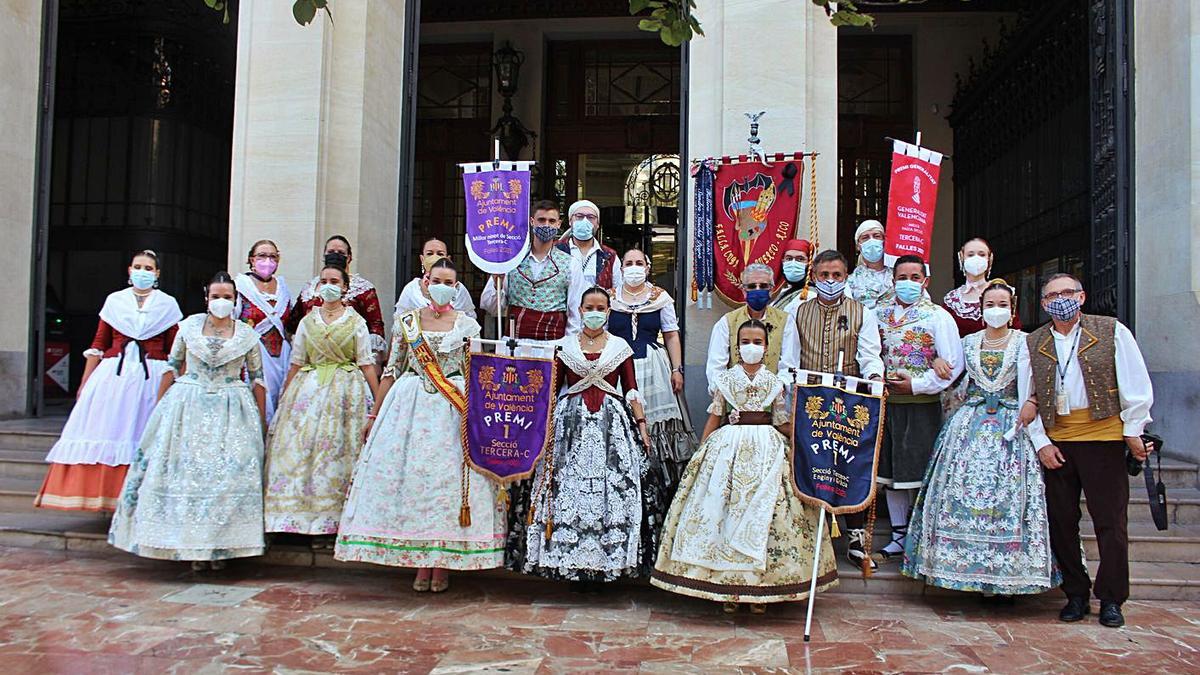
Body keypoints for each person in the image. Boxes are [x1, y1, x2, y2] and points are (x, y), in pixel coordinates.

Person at [335, 259, 503, 593]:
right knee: (413, 484)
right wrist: (374, 415)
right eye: (435, 279)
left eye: (449, 282)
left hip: (452, 407)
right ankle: (417, 560)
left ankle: (440, 563)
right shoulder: (406, 322)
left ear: (456, 288)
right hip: (407, 406)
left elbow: (477, 374)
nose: (441, 285)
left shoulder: (468, 327)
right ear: (425, 283)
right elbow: (391, 370)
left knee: (445, 487)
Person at [652, 319, 838, 614]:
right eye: (745, 342)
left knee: (768, 513)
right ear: (737, 348)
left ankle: (760, 591)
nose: (751, 347)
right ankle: (728, 589)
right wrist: (702, 450)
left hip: (768, 446)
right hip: (728, 447)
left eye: (758, 342)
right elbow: (715, 415)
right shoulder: (726, 380)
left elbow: (781, 419)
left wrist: (807, 438)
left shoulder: (775, 382)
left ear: (766, 348)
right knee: (722, 512)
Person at [902, 281, 1058, 598]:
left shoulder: (1026, 342)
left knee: (1010, 500)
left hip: (1013, 427)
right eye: (990, 304)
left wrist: (1033, 404)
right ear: (981, 308)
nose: (996, 310)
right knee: (959, 495)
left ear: (1012, 309)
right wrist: (935, 362)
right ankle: (961, 572)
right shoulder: (968, 342)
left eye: (1002, 304)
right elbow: (952, 372)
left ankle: (1006, 580)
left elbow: (1038, 384)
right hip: (968, 427)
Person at [108, 271, 267, 570]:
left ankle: (220, 547)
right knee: (186, 474)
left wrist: (260, 422)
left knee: (226, 477)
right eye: (216, 296)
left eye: (228, 297)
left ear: (236, 301)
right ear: (207, 297)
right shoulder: (188, 327)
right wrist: (159, 409)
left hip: (232, 406)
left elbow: (258, 379)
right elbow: (171, 367)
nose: (222, 302)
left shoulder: (247, 334)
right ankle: (188, 547)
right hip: (187, 404)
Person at [1020, 273, 1154, 628]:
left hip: (1103, 437)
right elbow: (1026, 396)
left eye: (1067, 293)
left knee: (1110, 521)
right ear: (1044, 303)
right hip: (1058, 440)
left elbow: (1134, 382)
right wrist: (1041, 443)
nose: (1060, 300)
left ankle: (1111, 597)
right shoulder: (1033, 342)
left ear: (1081, 297)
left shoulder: (1111, 331)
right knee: (1062, 522)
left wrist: (1134, 430)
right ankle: (1075, 593)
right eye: (1052, 296)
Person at [506, 287, 665, 584]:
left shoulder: (620, 347)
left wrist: (642, 425)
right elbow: (551, 393)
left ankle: (606, 563)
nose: (594, 312)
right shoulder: (563, 347)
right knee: (567, 490)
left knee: (613, 490)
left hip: (612, 426)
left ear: (608, 311)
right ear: (580, 310)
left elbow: (631, 389)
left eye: (601, 307)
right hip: (569, 424)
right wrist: (538, 427)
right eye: (589, 307)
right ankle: (572, 564)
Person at [35, 250, 182, 512]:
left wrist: (175, 385)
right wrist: (84, 382)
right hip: (114, 376)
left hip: (152, 377)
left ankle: (141, 500)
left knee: (142, 433)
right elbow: (99, 343)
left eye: (149, 268)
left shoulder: (168, 304)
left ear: (157, 273)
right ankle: (104, 496)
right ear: (129, 270)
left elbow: (175, 350)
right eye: (138, 266)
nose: (143, 271)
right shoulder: (115, 301)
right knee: (109, 430)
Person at [779, 249, 884, 569]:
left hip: (848, 402)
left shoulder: (862, 312)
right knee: (811, 463)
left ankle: (855, 539)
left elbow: (870, 356)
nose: (830, 281)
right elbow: (788, 359)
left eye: (836, 275)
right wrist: (786, 390)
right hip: (810, 402)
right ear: (814, 277)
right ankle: (812, 534)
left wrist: (876, 378)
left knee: (848, 464)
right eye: (824, 275)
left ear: (846, 276)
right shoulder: (798, 311)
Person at [264, 264, 380, 540]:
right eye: (324, 280)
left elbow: (365, 363)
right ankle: (296, 520)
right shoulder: (307, 321)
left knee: (338, 452)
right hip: (308, 389)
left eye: (334, 281)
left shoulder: (355, 322)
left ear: (344, 287)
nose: (329, 285)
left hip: (345, 391)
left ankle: (335, 523)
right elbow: (296, 361)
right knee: (300, 450)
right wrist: (284, 396)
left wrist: (377, 403)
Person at [873, 254, 963, 562]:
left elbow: (951, 366)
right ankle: (898, 534)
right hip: (886, 404)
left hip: (921, 405)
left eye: (915, 277)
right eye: (902, 277)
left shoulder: (938, 317)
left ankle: (920, 536)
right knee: (891, 474)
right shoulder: (877, 314)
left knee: (919, 472)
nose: (908, 283)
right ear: (892, 280)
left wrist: (917, 384)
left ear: (925, 281)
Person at [607, 248, 696, 494]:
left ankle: (658, 485)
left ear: (647, 268)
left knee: (658, 424)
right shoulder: (610, 298)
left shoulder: (660, 297)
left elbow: (671, 335)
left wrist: (677, 369)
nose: (634, 267)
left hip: (654, 367)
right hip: (618, 368)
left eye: (639, 262)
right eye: (629, 262)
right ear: (622, 268)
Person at [481, 199, 586, 352]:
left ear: (559, 224)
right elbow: (491, 307)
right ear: (532, 221)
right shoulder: (511, 260)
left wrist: (568, 347)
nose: (546, 225)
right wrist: (497, 279)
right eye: (541, 220)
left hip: (553, 345)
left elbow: (575, 311)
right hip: (514, 344)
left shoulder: (571, 264)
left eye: (552, 221)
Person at [290, 235, 389, 360]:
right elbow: (295, 323)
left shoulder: (363, 289)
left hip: (349, 358)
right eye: (331, 252)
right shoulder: (309, 288)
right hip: (311, 357)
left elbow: (375, 327)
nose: (335, 255)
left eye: (341, 253)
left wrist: (374, 361)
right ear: (324, 255)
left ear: (349, 257)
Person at [234, 240, 294, 422]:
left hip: (282, 355)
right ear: (251, 259)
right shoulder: (240, 286)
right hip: (253, 355)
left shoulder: (283, 288)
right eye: (262, 256)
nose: (267, 260)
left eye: (272, 256)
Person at [705, 263, 788, 389]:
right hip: (735, 398)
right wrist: (726, 392)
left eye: (764, 286)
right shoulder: (727, 322)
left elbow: (788, 366)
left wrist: (775, 391)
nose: (758, 289)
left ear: (771, 290)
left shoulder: (785, 321)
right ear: (744, 291)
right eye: (752, 286)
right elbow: (715, 368)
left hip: (773, 397)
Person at [943, 238, 1023, 337]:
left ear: (989, 258)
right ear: (962, 257)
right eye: (970, 255)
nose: (976, 259)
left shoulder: (1004, 291)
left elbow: (1015, 328)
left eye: (982, 254)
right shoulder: (951, 300)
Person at [395, 237, 477, 319]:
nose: (435, 257)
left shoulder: (458, 289)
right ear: (422, 259)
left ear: (447, 259)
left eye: (440, 254)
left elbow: (470, 319)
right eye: (430, 254)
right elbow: (400, 320)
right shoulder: (412, 289)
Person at [557, 199, 622, 289]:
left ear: (598, 224)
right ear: (570, 221)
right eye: (579, 216)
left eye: (591, 217)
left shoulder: (609, 256)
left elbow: (618, 289)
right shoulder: (556, 250)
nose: (585, 221)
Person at [846, 220, 893, 310]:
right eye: (865, 237)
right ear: (858, 246)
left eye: (876, 236)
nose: (871, 240)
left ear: (884, 241)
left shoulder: (900, 275)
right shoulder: (852, 281)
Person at [772, 238, 814, 313]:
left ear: (809, 263)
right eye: (789, 258)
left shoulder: (811, 295)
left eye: (800, 259)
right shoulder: (782, 292)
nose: (793, 263)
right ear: (782, 261)